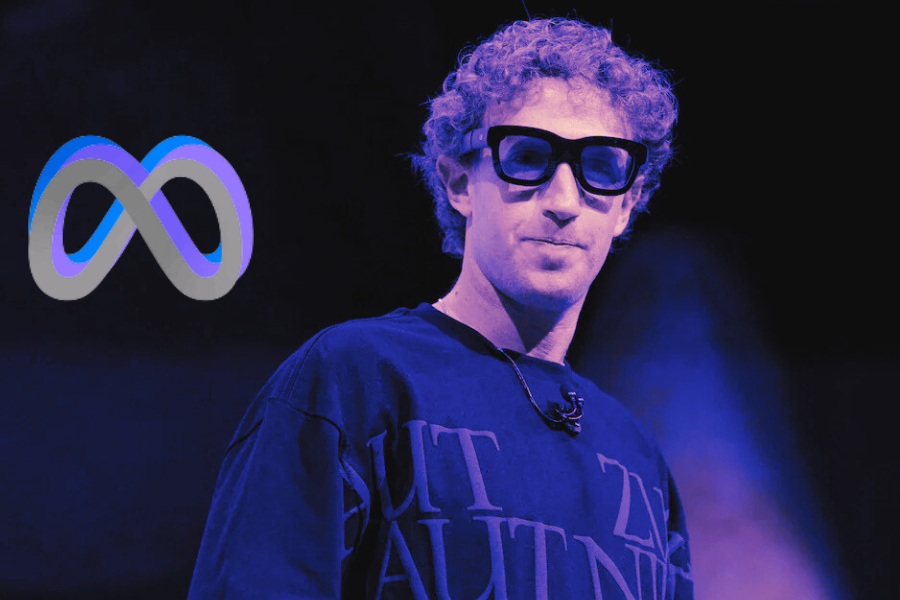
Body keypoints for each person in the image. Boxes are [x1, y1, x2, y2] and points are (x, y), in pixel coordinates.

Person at [188, 17, 692, 599]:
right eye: (528, 157)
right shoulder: (355, 378)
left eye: (600, 167)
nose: (563, 201)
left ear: (626, 205)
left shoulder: (641, 461)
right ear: (458, 182)